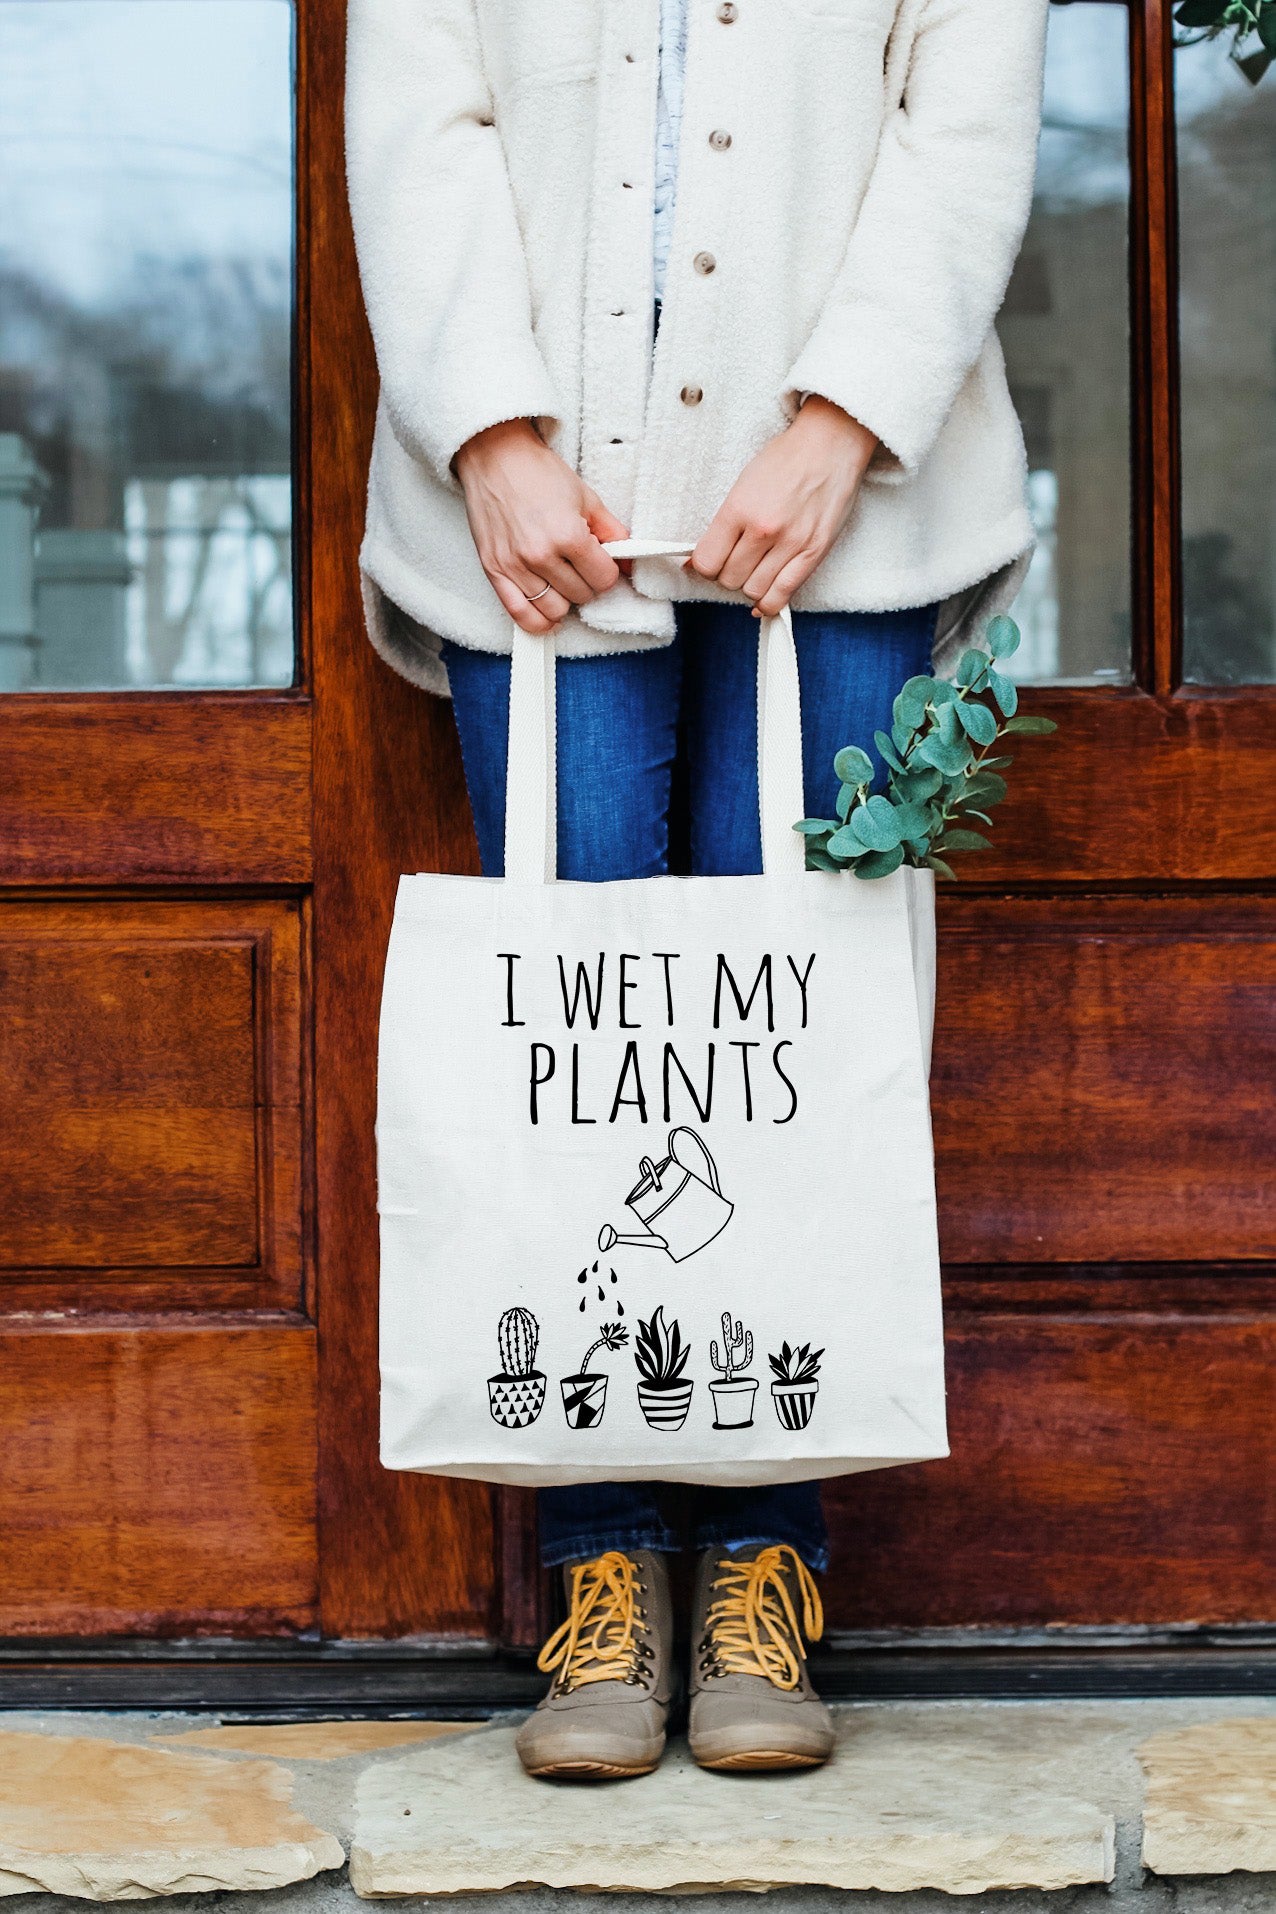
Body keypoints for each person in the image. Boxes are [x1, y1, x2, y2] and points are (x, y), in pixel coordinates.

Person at [346, 0, 1048, 1779]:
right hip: (536, 515)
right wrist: (489, 438)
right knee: (579, 1052)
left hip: (856, 509)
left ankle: (765, 1569)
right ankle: (599, 1573)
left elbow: (959, 125)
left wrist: (840, 424)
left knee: (787, 1043)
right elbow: (426, 122)